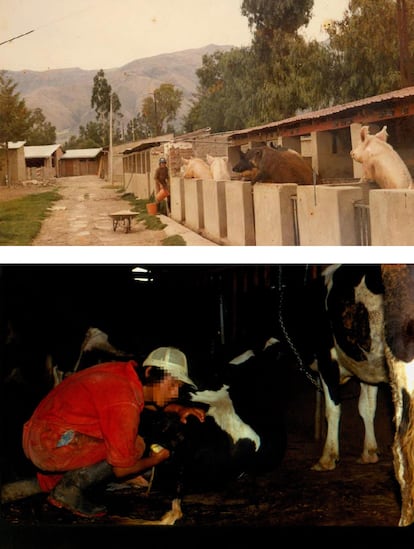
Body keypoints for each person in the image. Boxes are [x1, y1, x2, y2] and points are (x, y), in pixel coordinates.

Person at [22, 346, 205, 518]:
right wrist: (155, 460)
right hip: (50, 444)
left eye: (178, 388)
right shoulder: (124, 400)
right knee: (134, 447)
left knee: (121, 443)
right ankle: (69, 490)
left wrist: (177, 409)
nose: (174, 393)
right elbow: (121, 468)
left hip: (41, 435)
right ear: (150, 373)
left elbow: (144, 400)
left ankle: (58, 479)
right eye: (172, 384)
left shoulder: (125, 374)